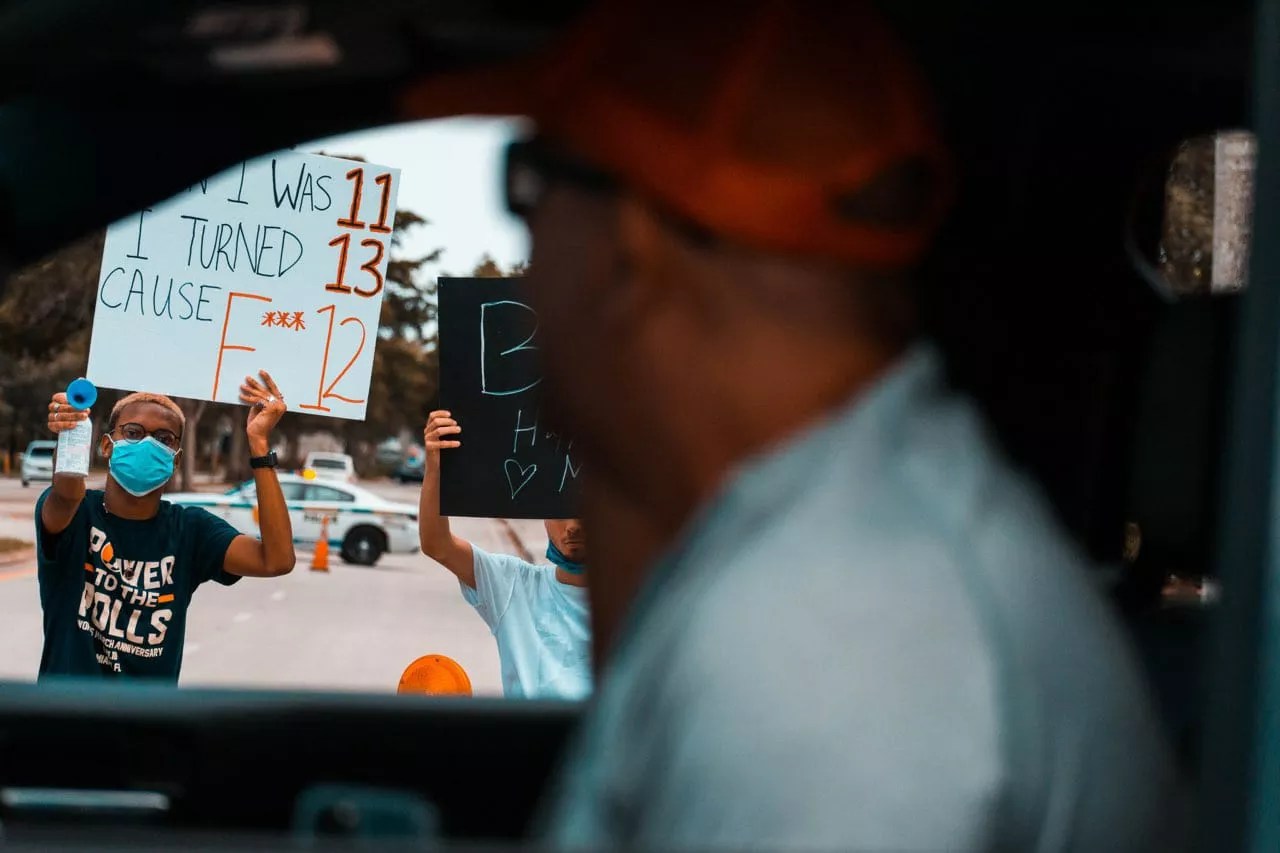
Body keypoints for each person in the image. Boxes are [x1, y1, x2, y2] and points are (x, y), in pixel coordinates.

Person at [403, 0, 1186, 848]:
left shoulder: (828, 647)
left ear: (630, 244)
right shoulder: (836, 534)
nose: (525, 270)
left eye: (529, 187)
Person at [37, 371, 295, 681]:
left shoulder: (190, 530)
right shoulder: (78, 513)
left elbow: (277, 560)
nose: (148, 444)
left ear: (175, 459)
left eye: (164, 439)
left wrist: (259, 444)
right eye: (133, 432)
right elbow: (66, 494)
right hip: (63, 712)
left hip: (149, 714)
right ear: (107, 446)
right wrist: (72, 430)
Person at [417, 409, 591, 700]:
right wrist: (435, 466)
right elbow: (437, 544)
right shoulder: (513, 584)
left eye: (584, 512)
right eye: (561, 510)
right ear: (542, 513)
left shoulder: (640, 599)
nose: (573, 526)